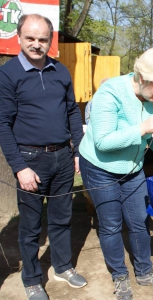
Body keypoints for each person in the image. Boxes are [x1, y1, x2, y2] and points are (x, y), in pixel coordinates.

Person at [79, 48, 153, 300]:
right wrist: (140, 129)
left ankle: (145, 271)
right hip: (101, 168)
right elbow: (102, 141)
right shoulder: (111, 92)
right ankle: (119, 276)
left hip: (133, 169)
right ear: (141, 77)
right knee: (112, 225)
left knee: (139, 221)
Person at [0, 14, 87, 300]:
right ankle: (32, 279)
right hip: (30, 160)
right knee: (31, 226)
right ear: (19, 38)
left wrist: (78, 150)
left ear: (51, 40)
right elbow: (2, 124)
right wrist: (19, 167)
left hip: (62, 156)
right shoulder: (8, 74)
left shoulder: (60, 71)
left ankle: (62, 266)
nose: (36, 44)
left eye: (42, 39)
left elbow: (73, 111)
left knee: (62, 218)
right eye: (30, 38)